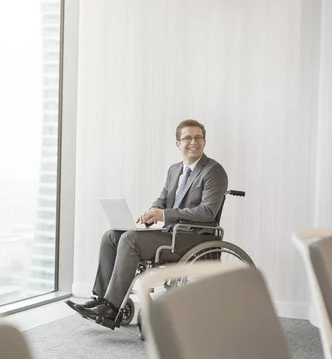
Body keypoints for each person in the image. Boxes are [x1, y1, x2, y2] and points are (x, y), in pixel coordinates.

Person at [66, 119, 228, 328]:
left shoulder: (213, 170)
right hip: (172, 233)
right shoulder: (174, 170)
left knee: (130, 239)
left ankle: (112, 307)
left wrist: (164, 214)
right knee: (112, 236)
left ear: (204, 142)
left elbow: (207, 212)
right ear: (178, 143)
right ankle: (102, 299)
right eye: (187, 138)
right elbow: (162, 199)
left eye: (198, 137)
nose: (193, 142)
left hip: (193, 237)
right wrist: (152, 213)